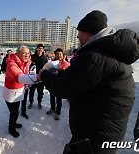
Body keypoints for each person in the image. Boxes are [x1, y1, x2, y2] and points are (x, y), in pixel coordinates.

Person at [38, 10, 139, 154]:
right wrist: (63, 74)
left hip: (94, 137)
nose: (78, 36)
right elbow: (84, 79)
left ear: (88, 32)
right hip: (105, 130)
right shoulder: (110, 52)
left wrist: (45, 75)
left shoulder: (95, 56)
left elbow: (62, 88)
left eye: (79, 32)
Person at [3, 45, 38, 137]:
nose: (26, 55)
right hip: (11, 92)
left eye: (28, 53)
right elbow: (19, 77)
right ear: (17, 53)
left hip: (19, 91)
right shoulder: (12, 64)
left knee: (16, 111)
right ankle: (11, 128)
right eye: (24, 53)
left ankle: (13, 124)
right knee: (14, 112)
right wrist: (38, 77)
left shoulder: (25, 62)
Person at [46, 48, 70, 120]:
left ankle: (58, 112)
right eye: (57, 54)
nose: (59, 55)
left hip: (60, 84)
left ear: (63, 55)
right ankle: (52, 108)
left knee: (59, 98)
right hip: (52, 83)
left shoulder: (67, 64)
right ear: (55, 55)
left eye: (60, 54)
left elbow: (69, 75)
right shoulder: (51, 63)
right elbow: (47, 71)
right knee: (52, 96)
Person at [27, 44, 48, 109]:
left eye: (41, 48)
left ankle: (39, 102)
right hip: (33, 77)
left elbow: (46, 67)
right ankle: (31, 102)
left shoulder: (45, 58)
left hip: (41, 77)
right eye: (39, 48)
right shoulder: (32, 57)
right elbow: (28, 65)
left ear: (43, 50)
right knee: (31, 91)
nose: (40, 50)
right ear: (36, 49)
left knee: (40, 92)